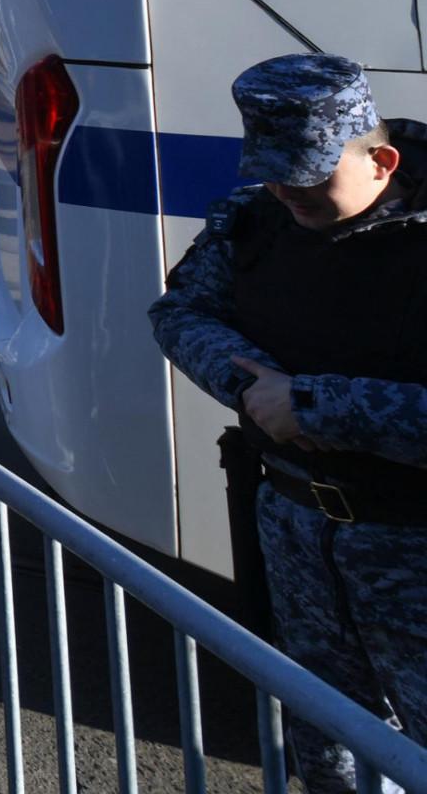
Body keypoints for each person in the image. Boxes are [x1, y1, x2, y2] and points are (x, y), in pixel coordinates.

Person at [151, 54, 427, 794]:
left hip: (412, 548)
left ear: (384, 160)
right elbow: (179, 314)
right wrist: (253, 389)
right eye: (273, 172)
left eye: (308, 176)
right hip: (299, 536)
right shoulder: (256, 218)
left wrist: (312, 403)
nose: (285, 192)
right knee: (331, 752)